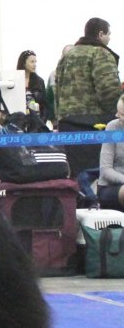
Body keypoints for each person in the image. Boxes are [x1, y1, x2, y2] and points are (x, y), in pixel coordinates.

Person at [56, 17, 122, 176]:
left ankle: (82, 201)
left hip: (67, 122)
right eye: (109, 34)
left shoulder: (67, 56)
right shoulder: (101, 54)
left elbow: (57, 89)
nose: (110, 38)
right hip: (94, 124)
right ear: (100, 34)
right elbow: (109, 91)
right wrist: (117, 116)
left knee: (77, 175)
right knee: (97, 174)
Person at [97, 95, 124, 210]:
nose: (117, 116)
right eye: (118, 112)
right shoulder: (112, 127)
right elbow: (105, 170)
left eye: (122, 114)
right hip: (110, 187)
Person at [16, 49, 48, 122]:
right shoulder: (14, 81)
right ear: (23, 63)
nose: (34, 65)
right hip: (20, 120)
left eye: (35, 62)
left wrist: (42, 122)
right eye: (32, 62)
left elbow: (44, 105)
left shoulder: (39, 81)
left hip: (36, 120)